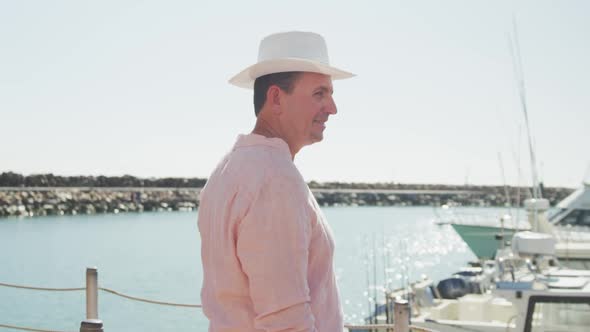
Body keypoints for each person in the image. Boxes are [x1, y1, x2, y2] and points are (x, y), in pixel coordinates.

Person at [198, 31, 354, 331]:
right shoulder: (274, 178)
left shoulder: (227, 168)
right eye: (320, 93)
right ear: (276, 98)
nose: (333, 107)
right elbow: (286, 321)